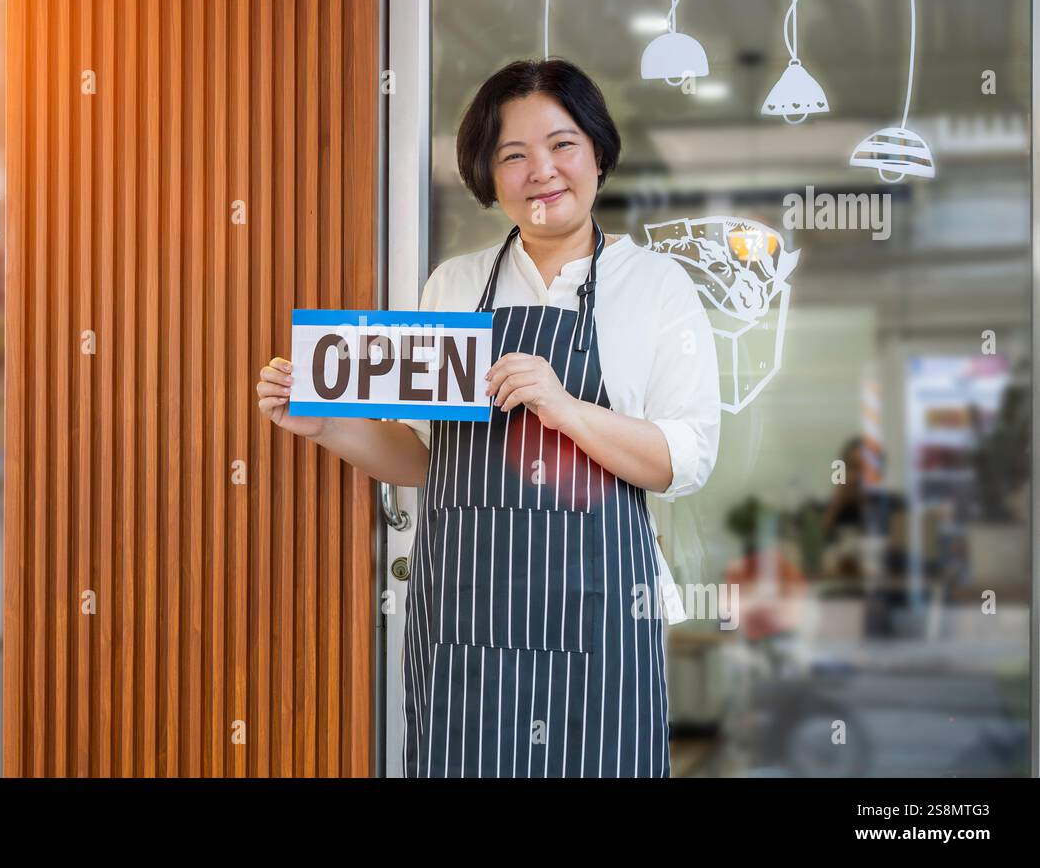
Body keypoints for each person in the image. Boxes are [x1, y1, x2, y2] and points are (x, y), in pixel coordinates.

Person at [256, 58, 720, 777]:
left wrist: (566, 409)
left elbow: (683, 459)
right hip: (467, 620)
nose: (542, 170)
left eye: (562, 144)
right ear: (489, 174)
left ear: (598, 153)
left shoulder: (655, 286)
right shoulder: (454, 284)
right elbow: (424, 457)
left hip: (600, 614)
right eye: (513, 155)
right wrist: (328, 425)